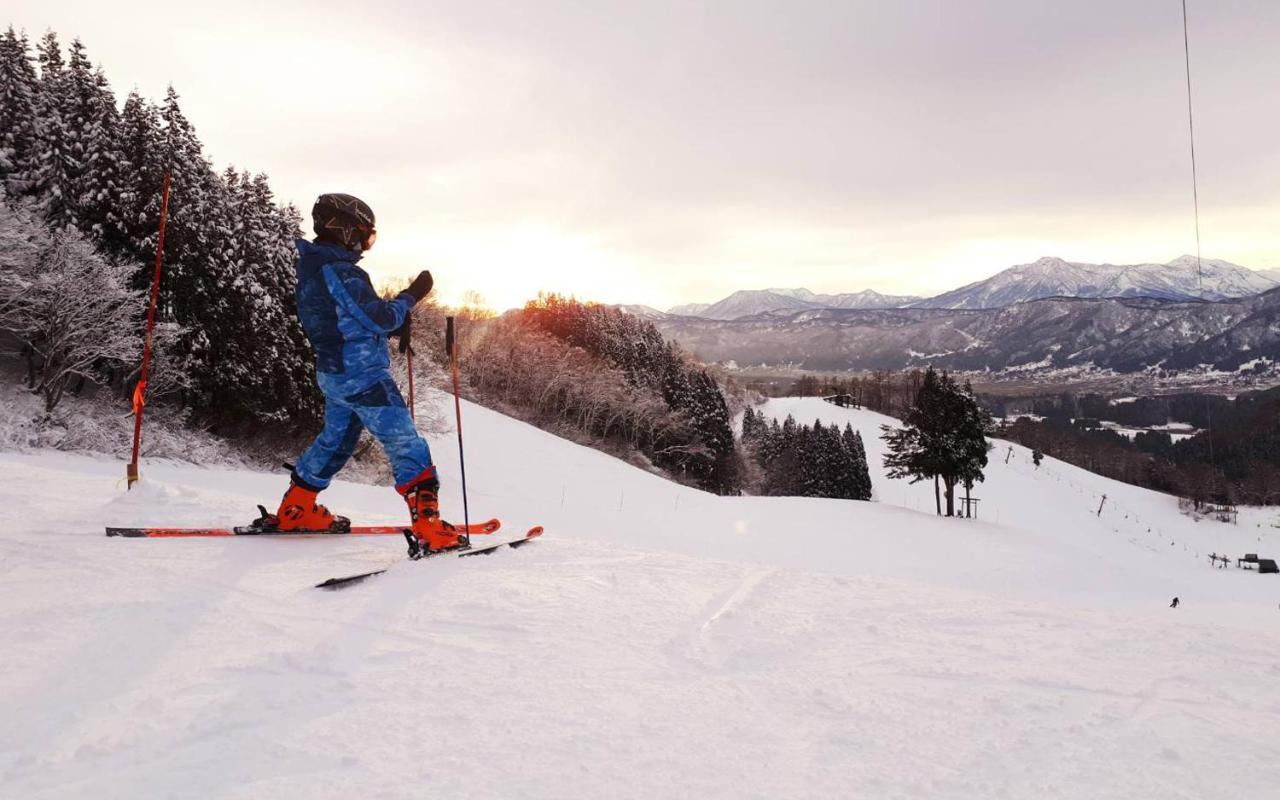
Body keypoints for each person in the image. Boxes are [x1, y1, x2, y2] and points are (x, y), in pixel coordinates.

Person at [275, 193, 458, 550]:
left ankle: (297, 508)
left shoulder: (313, 268)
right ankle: (429, 526)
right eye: (363, 234)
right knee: (403, 440)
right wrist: (408, 298)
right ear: (340, 228)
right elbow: (378, 316)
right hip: (363, 375)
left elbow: (346, 318)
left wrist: (390, 319)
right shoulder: (339, 271)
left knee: (336, 440)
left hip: (335, 373)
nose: (364, 243)